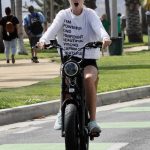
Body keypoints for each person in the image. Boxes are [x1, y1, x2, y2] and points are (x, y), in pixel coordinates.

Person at [37, 0, 111, 133]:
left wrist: (105, 38)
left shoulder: (90, 14)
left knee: (88, 78)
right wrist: (43, 41)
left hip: (88, 58)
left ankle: (92, 121)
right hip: (69, 59)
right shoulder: (63, 15)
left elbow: (99, 28)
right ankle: (62, 111)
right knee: (66, 80)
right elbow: (52, 29)